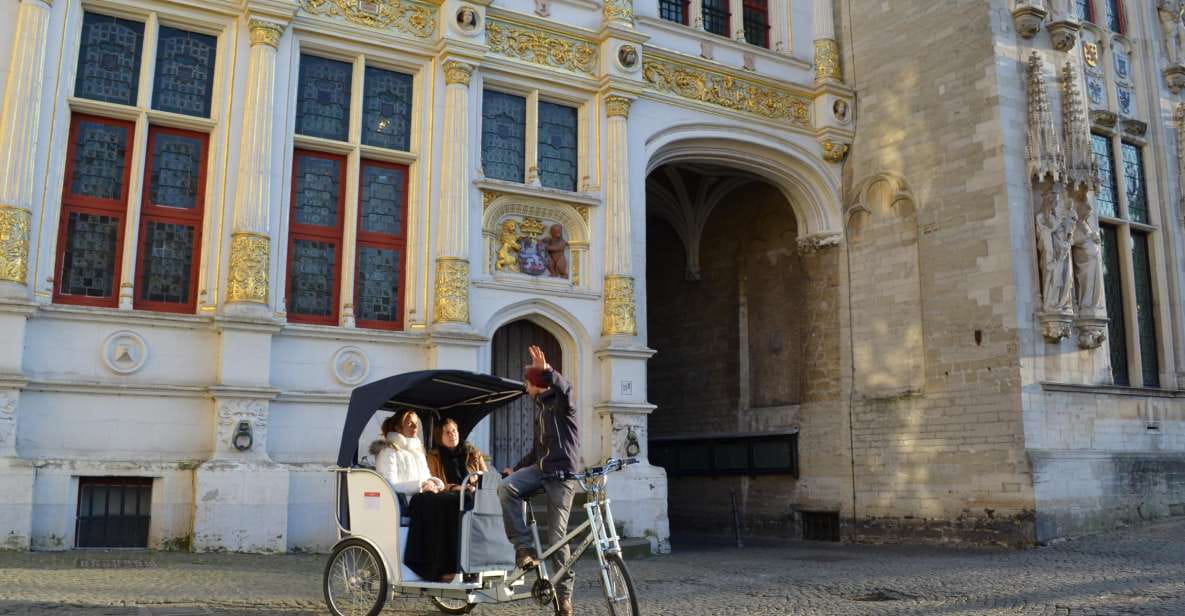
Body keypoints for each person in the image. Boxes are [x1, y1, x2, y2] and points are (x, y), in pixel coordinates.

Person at [497, 345, 579, 616]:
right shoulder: (541, 412)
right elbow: (536, 452)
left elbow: (567, 390)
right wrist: (516, 469)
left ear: (535, 384)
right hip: (540, 470)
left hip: (562, 477)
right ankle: (524, 549)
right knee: (506, 487)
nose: (525, 388)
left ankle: (564, 597)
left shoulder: (562, 406)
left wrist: (548, 371)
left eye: (527, 383)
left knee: (557, 538)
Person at [369, 409, 461, 582]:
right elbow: (391, 484)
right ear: (398, 427)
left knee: (454, 501)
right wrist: (420, 486)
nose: (415, 427)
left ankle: (454, 565)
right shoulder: (389, 452)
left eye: (416, 423)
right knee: (439, 504)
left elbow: (427, 476)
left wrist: (435, 483)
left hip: (424, 497)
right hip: (407, 501)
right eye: (409, 423)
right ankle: (435, 569)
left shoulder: (417, 450)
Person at [427, 418, 488, 492]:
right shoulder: (433, 457)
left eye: (454, 430)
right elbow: (435, 484)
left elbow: (486, 478)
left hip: (474, 494)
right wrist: (454, 487)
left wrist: (474, 488)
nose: (452, 434)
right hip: (447, 496)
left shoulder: (473, 452)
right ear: (440, 437)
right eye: (447, 432)